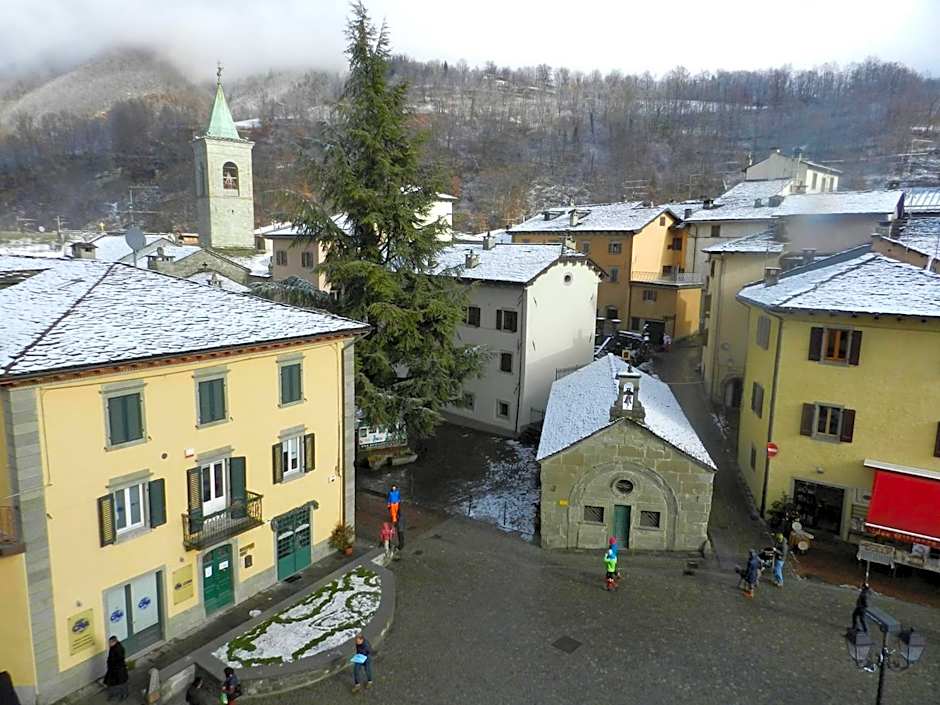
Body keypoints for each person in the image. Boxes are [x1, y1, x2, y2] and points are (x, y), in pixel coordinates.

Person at [103, 636, 129, 701]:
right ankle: (114, 693)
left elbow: (119, 659)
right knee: (112, 682)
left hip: (118, 669)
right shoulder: (113, 647)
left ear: (114, 642)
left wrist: (113, 664)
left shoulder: (118, 649)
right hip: (113, 669)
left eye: (110, 642)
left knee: (121, 682)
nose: (109, 644)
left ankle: (124, 694)